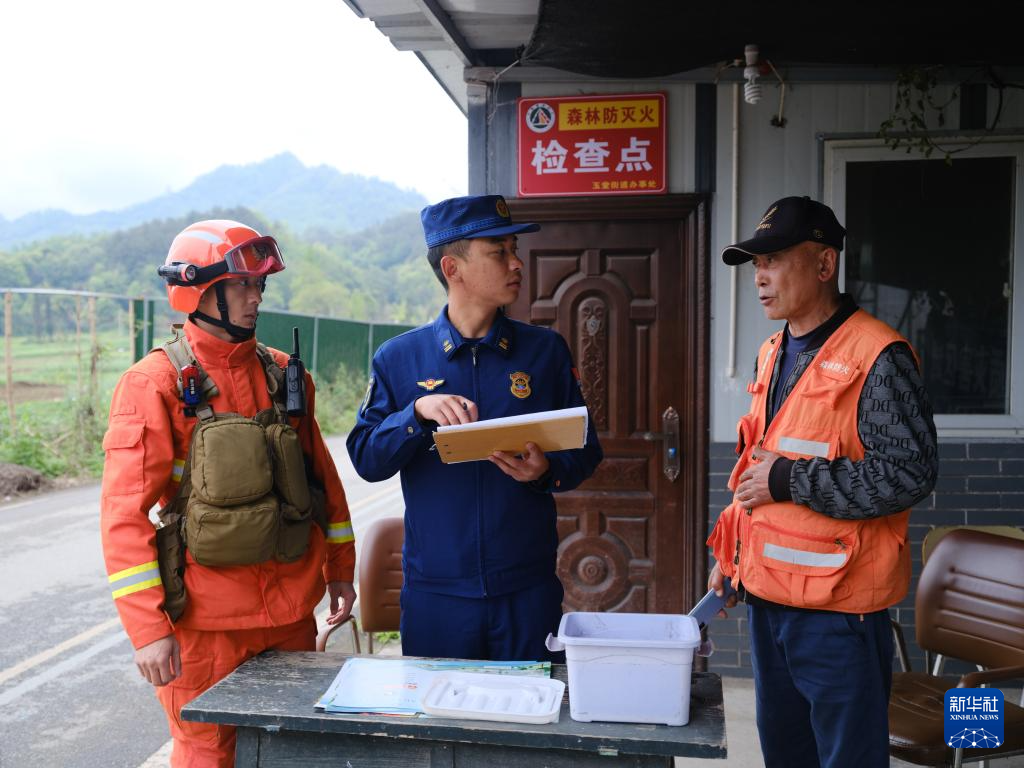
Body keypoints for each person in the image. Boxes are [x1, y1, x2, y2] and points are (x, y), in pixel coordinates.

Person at [100, 219, 357, 767]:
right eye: (241, 284)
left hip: (290, 615)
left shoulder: (286, 375)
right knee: (208, 754)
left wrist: (341, 569)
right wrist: (148, 630)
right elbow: (124, 516)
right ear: (197, 289)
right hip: (204, 626)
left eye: (259, 284)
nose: (256, 296)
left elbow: (320, 482)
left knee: (292, 753)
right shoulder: (153, 385)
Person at [707, 196, 938, 768]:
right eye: (755, 265)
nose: (760, 277)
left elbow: (908, 474)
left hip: (838, 615)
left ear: (824, 263)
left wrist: (790, 480)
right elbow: (757, 465)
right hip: (768, 601)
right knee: (786, 755)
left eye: (774, 260)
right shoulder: (771, 352)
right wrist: (733, 556)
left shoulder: (877, 355)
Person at [347, 194, 603, 661]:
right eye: (499, 252)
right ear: (453, 268)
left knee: (533, 704)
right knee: (439, 707)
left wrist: (545, 472)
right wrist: (414, 415)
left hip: (525, 590)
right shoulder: (400, 358)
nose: (516, 263)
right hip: (436, 596)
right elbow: (366, 458)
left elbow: (586, 450)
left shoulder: (544, 352)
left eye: (514, 250)